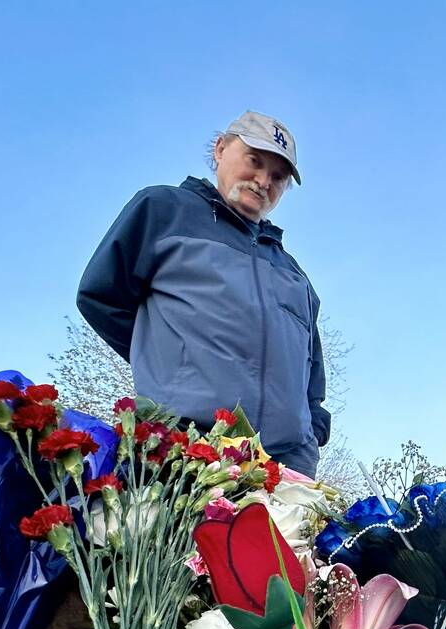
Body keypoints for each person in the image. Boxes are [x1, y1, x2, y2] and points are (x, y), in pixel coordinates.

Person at [77, 111, 329, 476]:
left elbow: (312, 370)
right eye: (254, 162)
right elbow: (100, 296)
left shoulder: (294, 274)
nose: (262, 181)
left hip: (282, 469)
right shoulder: (163, 210)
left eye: (277, 177)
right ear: (221, 148)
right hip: (184, 451)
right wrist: (172, 365)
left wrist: (310, 433)